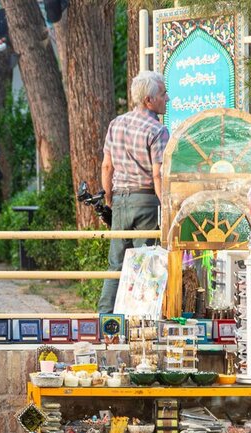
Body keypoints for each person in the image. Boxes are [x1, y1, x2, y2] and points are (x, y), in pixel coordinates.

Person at [97, 70, 170, 314]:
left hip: (120, 199)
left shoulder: (116, 124)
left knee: (116, 263)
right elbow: (157, 174)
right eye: (163, 94)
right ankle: (140, 321)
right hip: (147, 200)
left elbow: (107, 166)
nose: (167, 99)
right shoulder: (157, 130)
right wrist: (166, 207)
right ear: (149, 100)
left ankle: (105, 319)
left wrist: (109, 200)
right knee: (145, 262)